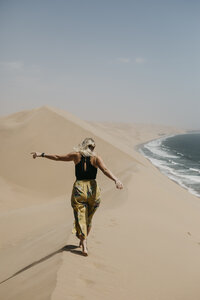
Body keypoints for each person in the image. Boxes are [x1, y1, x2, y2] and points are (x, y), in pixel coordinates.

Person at [30, 137, 123, 256]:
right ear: (91, 147)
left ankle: (83, 244)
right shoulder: (96, 157)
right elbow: (105, 169)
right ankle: (82, 241)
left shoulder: (75, 155)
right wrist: (116, 180)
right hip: (93, 190)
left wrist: (41, 154)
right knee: (88, 218)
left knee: (80, 216)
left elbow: (58, 157)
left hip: (79, 189)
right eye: (92, 147)